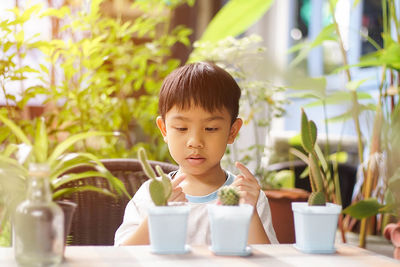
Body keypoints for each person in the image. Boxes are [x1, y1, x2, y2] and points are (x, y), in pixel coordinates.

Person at [114, 62, 278, 246]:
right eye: (181, 128)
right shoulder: (152, 195)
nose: (195, 141)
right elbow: (122, 256)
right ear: (164, 130)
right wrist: (157, 213)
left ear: (232, 131)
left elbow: (268, 260)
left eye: (210, 128)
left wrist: (250, 212)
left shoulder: (246, 197)